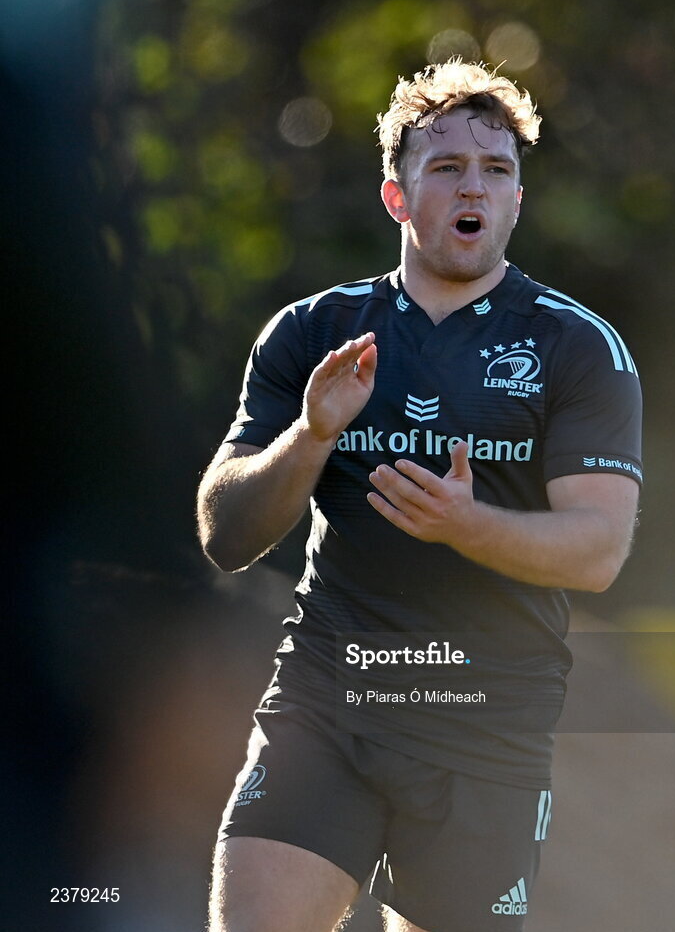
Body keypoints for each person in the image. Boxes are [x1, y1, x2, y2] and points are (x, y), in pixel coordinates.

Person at [197, 59, 642, 932]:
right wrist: (310, 436)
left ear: (515, 200)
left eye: (496, 170)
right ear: (397, 198)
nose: (473, 186)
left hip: (485, 726)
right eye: (446, 167)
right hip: (328, 703)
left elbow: (597, 551)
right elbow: (225, 531)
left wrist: (466, 525)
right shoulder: (316, 334)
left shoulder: (577, 347)